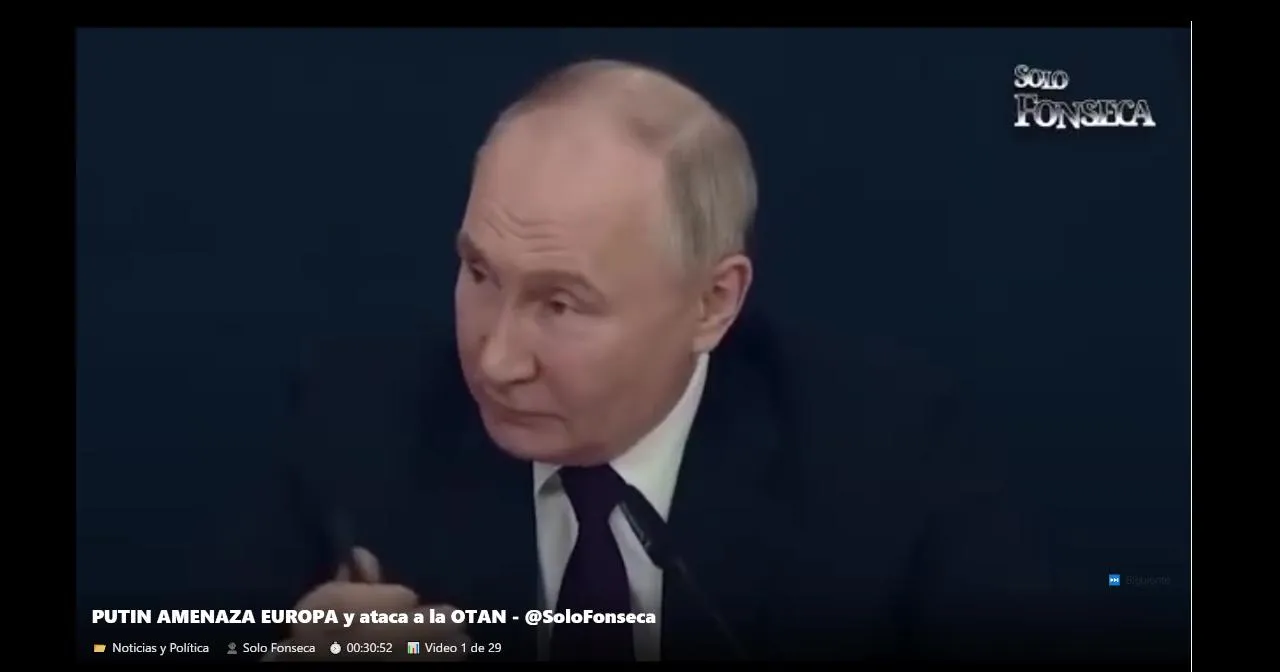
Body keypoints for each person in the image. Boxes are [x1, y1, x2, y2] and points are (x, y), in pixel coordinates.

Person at [235, 59, 1054, 662]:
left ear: (712, 303)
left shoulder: (888, 456)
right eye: (480, 274)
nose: (497, 359)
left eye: (561, 304)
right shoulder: (354, 423)